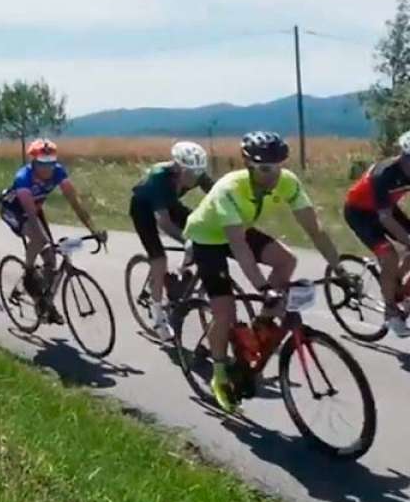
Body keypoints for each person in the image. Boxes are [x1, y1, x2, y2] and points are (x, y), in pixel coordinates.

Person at [184, 131, 349, 413]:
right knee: (225, 311)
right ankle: (220, 373)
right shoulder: (229, 188)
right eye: (263, 168)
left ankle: (261, 327)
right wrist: (263, 288)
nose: (271, 174)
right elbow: (239, 247)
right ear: (248, 165)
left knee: (286, 260)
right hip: (207, 237)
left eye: (277, 166)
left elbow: (315, 230)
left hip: (239, 229)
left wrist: (339, 269)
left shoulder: (287, 182)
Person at [0, 138, 107, 321]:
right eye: (42, 163)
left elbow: (75, 203)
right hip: (16, 211)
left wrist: (94, 229)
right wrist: (46, 242)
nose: (47, 168)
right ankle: (29, 271)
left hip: (35, 209)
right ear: (33, 161)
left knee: (51, 261)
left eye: (51, 163)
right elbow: (31, 217)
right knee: (41, 242)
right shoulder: (23, 178)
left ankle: (43, 301)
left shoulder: (58, 172)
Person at [129, 141, 215, 338]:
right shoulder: (159, 178)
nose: (194, 178)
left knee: (200, 228)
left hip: (170, 203)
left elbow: (220, 195)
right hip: (143, 209)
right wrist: (186, 242)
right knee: (159, 259)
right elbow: (165, 223)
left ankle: (179, 276)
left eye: (197, 173)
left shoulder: (196, 173)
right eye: (189, 173)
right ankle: (159, 317)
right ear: (177, 167)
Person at [343, 130, 410, 337]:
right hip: (360, 213)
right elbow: (385, 219)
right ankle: (390, 311)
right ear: (404, 156)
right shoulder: (385, 174)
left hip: (386, 209)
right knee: (389, 256)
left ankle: (395, 284)